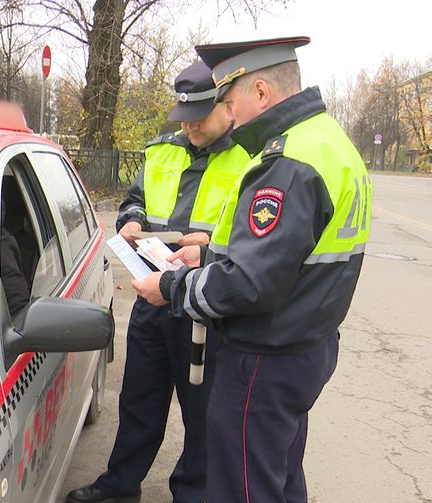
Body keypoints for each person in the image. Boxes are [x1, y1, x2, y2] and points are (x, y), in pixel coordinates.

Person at [132, 36, 371, 503]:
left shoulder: (287, 162)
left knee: (241, 487)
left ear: (260, 92)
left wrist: (172, 287)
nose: (229, 114)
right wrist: (210, 257)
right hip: (306, 345)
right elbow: (289, 254)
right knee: (278, 477)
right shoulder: (329, 142)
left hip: (265, 357)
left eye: (228, 99)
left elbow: (247, 283)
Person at [67, 62, 250, 503]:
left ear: (226, 107)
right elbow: (137, 201)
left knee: (202, 412)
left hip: (205, 305)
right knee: (139, 400)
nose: (189, 126)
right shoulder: (162, 151)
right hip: (154, 298)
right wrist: (131, 222)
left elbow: (251, 241)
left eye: (200, 116)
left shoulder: (251, 161)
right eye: (183, 116)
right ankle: (121, 484)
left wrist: (209, 246)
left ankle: (191, 492)